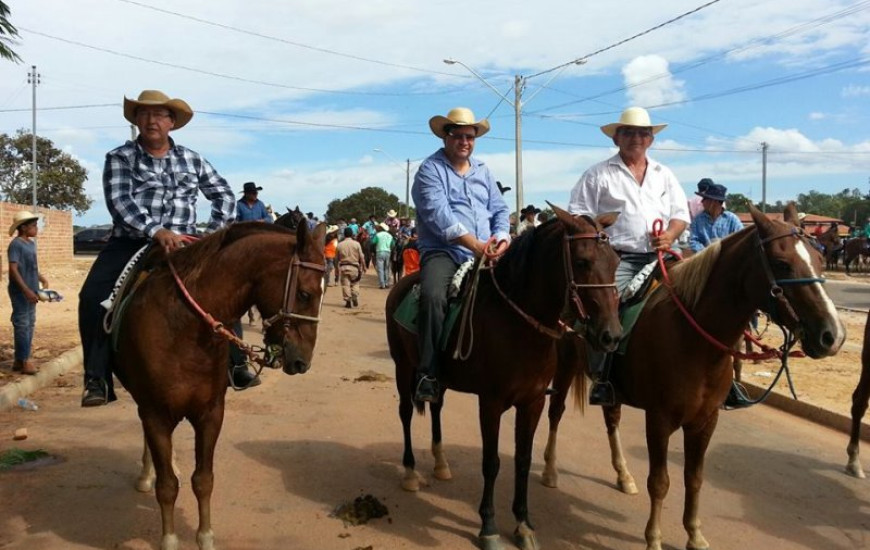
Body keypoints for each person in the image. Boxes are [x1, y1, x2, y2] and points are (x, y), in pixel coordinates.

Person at [78, 89, 248, 407]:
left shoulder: (192, 159)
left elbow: (223, 194)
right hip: (133, 240)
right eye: (144, 114)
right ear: (137, 120)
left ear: (172, 122)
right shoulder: (119, 158)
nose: (151, 120)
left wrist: (212, 237)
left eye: (159, 114)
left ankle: (237, 364)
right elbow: (120, 201)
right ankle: (97, 377)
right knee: (91, 297)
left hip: (187, 243)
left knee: (225, 288)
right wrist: (157, 231)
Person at [568, 106, 689, 406]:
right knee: (607, 308)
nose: (636, 138)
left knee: (701, 294)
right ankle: (603, 377)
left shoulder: (664, 174)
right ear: (616, 138)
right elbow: (578, 218)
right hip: (617, 258)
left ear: (651, 139)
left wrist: (670, 235)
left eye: (642, 133)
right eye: (629, 132)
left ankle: (715, 374)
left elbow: (680, 215)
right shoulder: (598, 175)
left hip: (661, 254)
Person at [411, 107, 510, 402]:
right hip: (446, 251)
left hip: (488, 250)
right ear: (446, 136)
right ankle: (427, 373)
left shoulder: (484, 170)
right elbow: (438, 215)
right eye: (458, 135)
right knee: (432, 297)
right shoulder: (430, 170)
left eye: (470, 136)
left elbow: (500, 209)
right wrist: (475, 245)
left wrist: (503, 238)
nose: (465, 141)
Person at [7, 211, 48, 376]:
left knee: (29, 323)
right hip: (21, 291)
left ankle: (19, 359)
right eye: (33, 226)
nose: (36, 229)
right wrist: (25, 290)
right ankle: (25, 361)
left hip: (32, 289)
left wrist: (42, 279)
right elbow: (13, 269)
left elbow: (32, 266)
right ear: (23, 228)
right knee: (23, 324)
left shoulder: (30, 244)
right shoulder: (16, 245)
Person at [688, 182, 743, 253]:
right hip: (705, 260)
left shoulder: (732, 219)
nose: (702, 201)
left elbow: (741, 239)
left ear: (713, 202)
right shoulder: (697, 220)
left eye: (705, 198)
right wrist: (706, 253)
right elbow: (693, 241)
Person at [336, 227, 366, 308]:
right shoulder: (356, 244)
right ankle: (354, 296)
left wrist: (336, 269)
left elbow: (336, 259)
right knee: (355, 283)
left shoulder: (339, 245)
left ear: (344, 234)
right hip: (354, 267)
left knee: (345, 285)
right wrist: (364, 267)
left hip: (343, 267)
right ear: (352, 234)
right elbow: (361, 257)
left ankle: (348, 301)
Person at [371, 222, 394, 289]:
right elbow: (393, 244)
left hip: (380, 252)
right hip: (388, 252)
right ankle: (386, 283)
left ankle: (382, 284)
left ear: (380, 228)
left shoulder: (378, 235)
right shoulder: (390, 236)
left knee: (380, 269)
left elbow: (373, 242)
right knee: (386, 268)